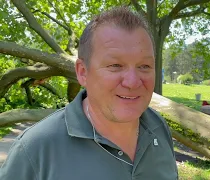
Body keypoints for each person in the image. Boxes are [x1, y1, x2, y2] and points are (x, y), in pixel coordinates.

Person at [0, 7, 178, 179]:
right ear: (83, 72)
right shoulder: (34, 150)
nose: (132, 82)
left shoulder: (158, 128)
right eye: (115, 66)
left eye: (144, 66)